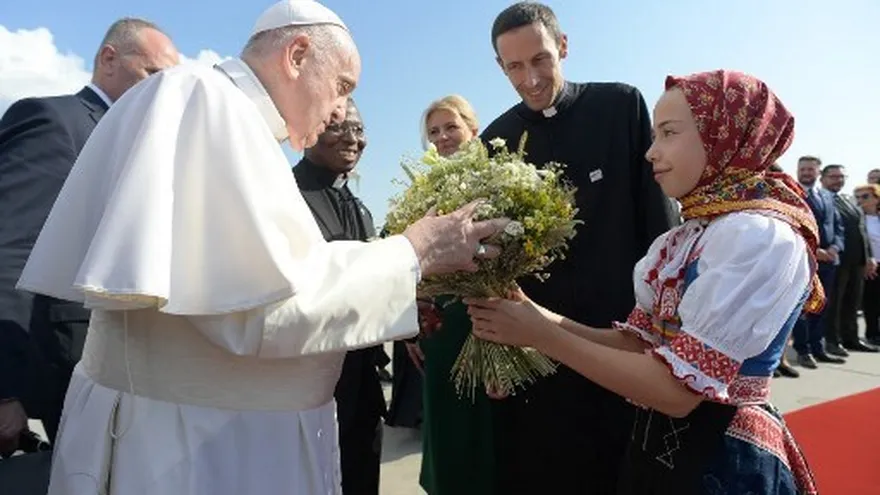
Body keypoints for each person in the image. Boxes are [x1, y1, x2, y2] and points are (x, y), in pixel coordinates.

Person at [16, 2, 508, 493]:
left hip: (207, 434)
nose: (341, 110)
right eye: (342, 86)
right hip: (187, 448)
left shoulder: (233, 118)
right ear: (297, 55)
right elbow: (261, 310)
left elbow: (286, 272)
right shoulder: (203, 101)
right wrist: (412, 253)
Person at [467, 69, 819, 495]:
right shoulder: (688, 237)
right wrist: (533, 314)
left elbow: (676, 392)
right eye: (654, 136)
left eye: (669, 133)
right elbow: (640, 345)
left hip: (723, 462)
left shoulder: (758, 236)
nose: (651, 152)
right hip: (661, 456)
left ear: (724, 136)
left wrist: (541, 334)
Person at [479, 3, 677, 492]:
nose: (530, 78)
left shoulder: (621, 107)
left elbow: (659, 224)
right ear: (500, 68)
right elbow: (493, 263)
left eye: (540, 59)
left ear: (563, 47)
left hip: (622, 335)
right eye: (515, 67)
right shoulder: (495, 140)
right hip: (540, 347)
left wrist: (665, 323)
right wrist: (495, 351)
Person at [0, 18, 179, 452]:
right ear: (108, 60)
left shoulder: (142, 144)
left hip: (128, 371)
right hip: (70, 369)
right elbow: (11, 250)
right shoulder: (55, 121)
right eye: (153, 76)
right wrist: (6, 390)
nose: (163, 92)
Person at [407, 95, 500, 495]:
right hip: (443, 329)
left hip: (493, 320)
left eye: (450, 127)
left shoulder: (499, 181)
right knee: (448, 427)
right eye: (434, 132)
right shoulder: (421, 192)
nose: (442, 137)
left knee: (493, 435)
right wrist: (413, 316)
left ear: (472, 130)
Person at [292, 97, 385, 494]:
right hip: (313, 391)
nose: (352, 139)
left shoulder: (360, 208)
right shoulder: (287, 198)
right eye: (337, 127)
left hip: (363, 389)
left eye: (359, 129)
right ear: (309, 131)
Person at [792, 156, 847, 370]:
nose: (806, 173)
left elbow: (838, 227)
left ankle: (818, 347)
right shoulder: (792, 193)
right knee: (802, 309)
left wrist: (834, 248)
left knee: (822, 307)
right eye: (802, 169)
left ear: (818, 172)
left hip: (829, 262)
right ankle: (803, 351)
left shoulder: (826, 196)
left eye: (810, 170)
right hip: (804, 261)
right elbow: (793, 226)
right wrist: (815, 250)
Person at [820, 164, 880, 354]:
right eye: (833, 176)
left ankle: (851, 339)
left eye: (841, 176)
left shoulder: (849, 201)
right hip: (837, 261)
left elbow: (861, 230)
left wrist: (868, 257)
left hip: (857, 262)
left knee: (852, 303)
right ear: (823, 179)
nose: (838, 180)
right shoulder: (821, 199)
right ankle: (832, 341)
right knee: (835, 304)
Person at [853, 183, 880, 346]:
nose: (860, 200)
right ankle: (872, 333)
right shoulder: (859, 218)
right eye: (857, 197)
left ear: (877, 198)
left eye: (865, 196)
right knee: (871, 302)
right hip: (871, 265)